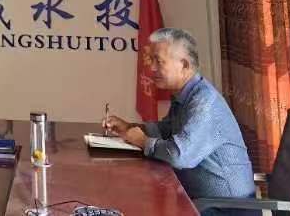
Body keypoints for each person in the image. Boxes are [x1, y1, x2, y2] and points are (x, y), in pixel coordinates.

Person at [104, 28, 257, 216]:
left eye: (158, 61)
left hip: (226, 210)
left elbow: (179, 155)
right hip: (202, 204)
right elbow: (167, 129)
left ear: (184, 64)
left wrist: (142, 141)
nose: (152, 68)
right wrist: (129, 127)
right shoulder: (186, 95)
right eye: (151, 60)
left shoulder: (204, 102)